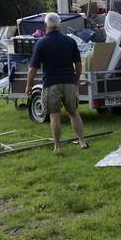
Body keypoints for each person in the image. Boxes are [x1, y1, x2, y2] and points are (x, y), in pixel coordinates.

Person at [26, 12, 88, 154]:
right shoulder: (70, 41)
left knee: (54, 115)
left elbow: (32, 69)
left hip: (51, 84)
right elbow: (78, 65)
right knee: (73, 113)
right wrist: (76, 81)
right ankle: (82, 142)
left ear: (45, 25)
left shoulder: (41, 43)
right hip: (69, 82)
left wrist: (29, 86)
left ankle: (57, 147)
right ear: (59, 25)